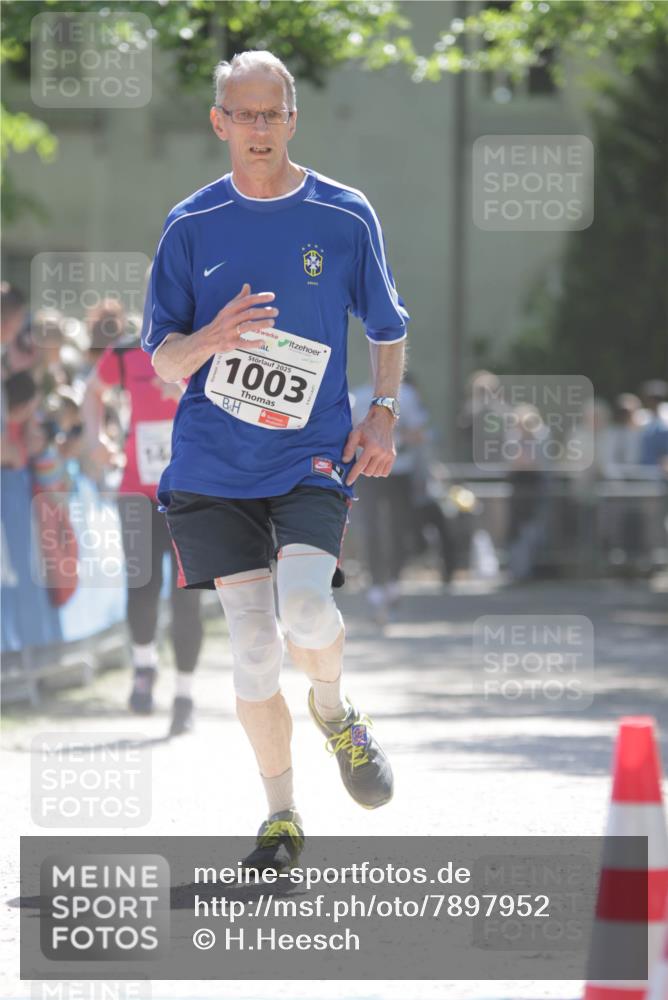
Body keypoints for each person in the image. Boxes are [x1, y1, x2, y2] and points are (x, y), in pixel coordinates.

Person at [142, 50, 408, 870]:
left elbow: (388, 326)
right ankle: (282, 818)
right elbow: (163, 359)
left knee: (306, 607)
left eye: (272, 113)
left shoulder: (344, 214)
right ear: (219, 122)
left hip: (307, 454)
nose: (258, 128)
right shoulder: (191, 224)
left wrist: (383, 412)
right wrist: (212, 338)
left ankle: (334, 711)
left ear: (293, 118)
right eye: (243, 114)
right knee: (255, 649)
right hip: (214, 465)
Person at [84, 299, 204, 737]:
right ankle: (144, 667)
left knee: (187, 597)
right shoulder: (126, 353)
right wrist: (96, 439)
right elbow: (92, 393)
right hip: (137, 491)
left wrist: (187, 397)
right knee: (142, 589)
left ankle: (185, 696)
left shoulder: (208, 349)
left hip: (192, 494)